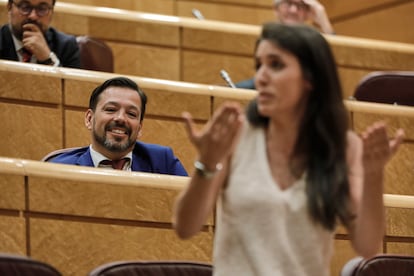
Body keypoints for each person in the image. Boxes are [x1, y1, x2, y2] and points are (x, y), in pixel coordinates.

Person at [173, 22, 405, 275]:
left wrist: (374, 175)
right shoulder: (237, 134)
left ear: (311, 78)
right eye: (259, 65)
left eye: (275, 65)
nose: (260, 77)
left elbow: (368, 246)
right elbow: (185, 227)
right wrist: (207, 162)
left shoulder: (344, 146)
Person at [46, 77, 188, 176]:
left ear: (139, 128)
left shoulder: (162, 162)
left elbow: (199, 209)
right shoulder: (60, 169)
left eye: (131, 114)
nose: (120, 118)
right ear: (89, 119)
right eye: (111, 109)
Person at [235, 0, 334, 89]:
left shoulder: (312, 42)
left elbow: (332, 66)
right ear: (276, 9)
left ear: (307, 13)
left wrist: (323, 19)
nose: (293, 10)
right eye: (288, 3)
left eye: (300, 5)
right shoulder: (266, 39)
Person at [0, 0, 80, 67]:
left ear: (52, 11)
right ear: (9, 7)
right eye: (25, 7)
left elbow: (73, 85)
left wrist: (47, 59)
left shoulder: (67, 46)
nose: (33, 16)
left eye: (42, 9)